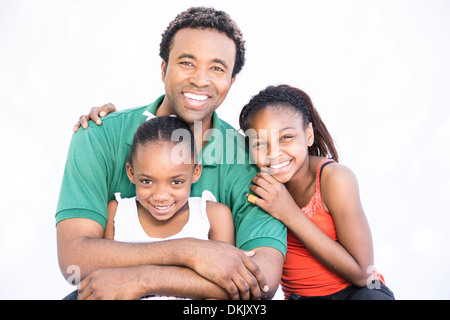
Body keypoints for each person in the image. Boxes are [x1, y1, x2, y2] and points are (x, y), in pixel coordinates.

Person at [56, 7, 286, 300]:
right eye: (187, 62)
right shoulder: (99, 135)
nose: (200, 80)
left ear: (231, 80)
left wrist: (146, 279)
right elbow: (75, 261)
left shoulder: (250, 159)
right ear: (163, 69)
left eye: (217, 68)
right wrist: (189, 251)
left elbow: (262, 281)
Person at [238, 84, 395, 300]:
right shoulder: (258, 187)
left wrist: (289, 213)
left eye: (286, 137)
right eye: (259, 144)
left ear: (308, 135)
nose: (273, 153)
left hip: (359, 293)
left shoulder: (335, 179)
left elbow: (362, 273)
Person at [97, 116, 234, 300]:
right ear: (131, 173)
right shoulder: (117, 214)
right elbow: (104, 283)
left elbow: (227, 290)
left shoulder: (213, 216)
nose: (161, 196)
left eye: (176, 182)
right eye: (147, 181)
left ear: (196, 172)